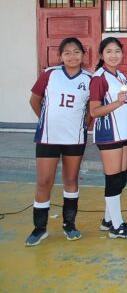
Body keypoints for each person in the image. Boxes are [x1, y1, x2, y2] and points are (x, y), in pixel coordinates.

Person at [25, 37, 92, 246]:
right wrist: (46, 121)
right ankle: (40, 228)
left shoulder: (90, 79)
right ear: (60, 56)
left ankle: (69, 225)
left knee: (71, 180)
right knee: (44, 181)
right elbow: (34, 100)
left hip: (74, 138)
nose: (72, 56)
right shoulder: (50, 75)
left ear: (83, 55)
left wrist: (83, 126)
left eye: (76, 52)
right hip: (48, 137)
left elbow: (92, 109)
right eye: (67, 52)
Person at [90, 37, 127, 239]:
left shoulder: (121, 76)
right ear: (101, 55)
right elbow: (94, 111)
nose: (113, 55)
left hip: (123, 133)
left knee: (121, 177)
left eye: (117, 51)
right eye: (109, 51)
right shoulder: (98, 78)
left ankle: (108, 220)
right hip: (108, 134)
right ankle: (117, 227)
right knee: (113, 179)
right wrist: (117, 103)